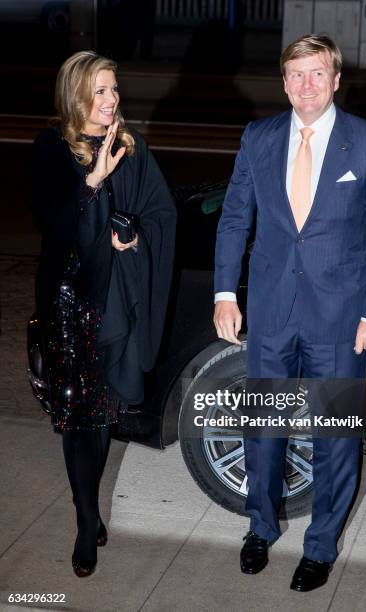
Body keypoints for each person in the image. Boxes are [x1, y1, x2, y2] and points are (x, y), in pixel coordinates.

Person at [213, 35, 366, 592]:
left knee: (335, 437)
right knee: (263, 429)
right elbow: (234, 220)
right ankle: (260, 527)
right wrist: (226, 293)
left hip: (342, 321)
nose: (306, 86)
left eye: (317, 74)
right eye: (296, 74)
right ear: (283, 81)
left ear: (336, 79)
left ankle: (320, 545)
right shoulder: (260, 137)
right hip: (273, 311)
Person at [32, 51, 176, 577]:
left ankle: (89, 510)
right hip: (71, 303)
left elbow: (161, 213)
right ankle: (85, 522)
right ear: (76, 96)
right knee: (79, 418)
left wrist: (134, 236)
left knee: (102, 416)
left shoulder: (133, 147)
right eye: (100, 92)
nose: (111, 101)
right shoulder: (50, 146)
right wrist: (92, 179)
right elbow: (50, 222)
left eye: (115, 90)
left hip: (116, 300)